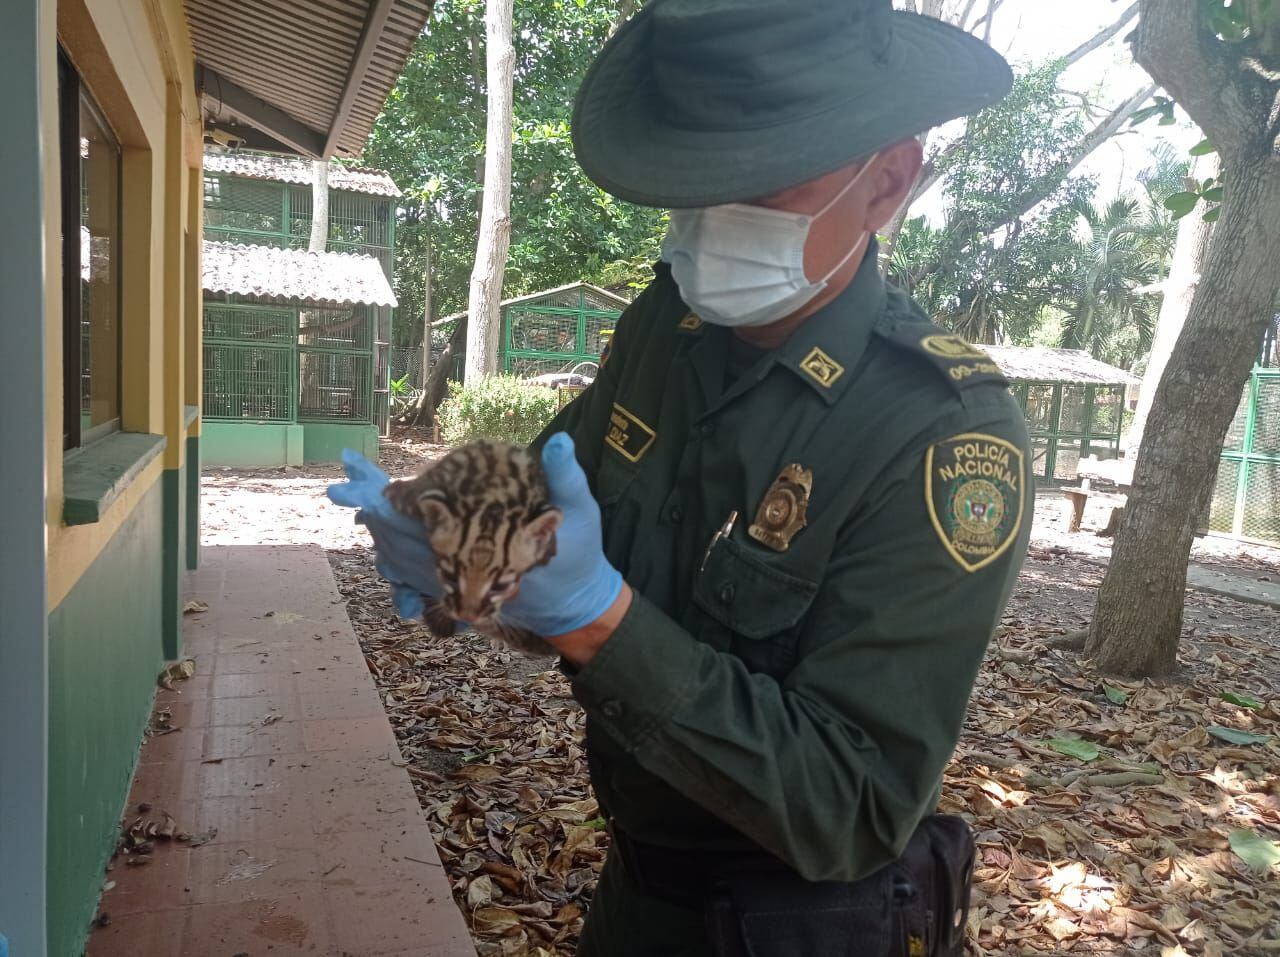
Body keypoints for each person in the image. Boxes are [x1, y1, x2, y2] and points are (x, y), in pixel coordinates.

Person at [330, 1, 1033, 953]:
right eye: (692, 184)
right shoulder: (670, 326)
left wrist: (594, 618)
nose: (709, 225)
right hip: (638, 890)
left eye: (766, 182)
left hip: (810, 923)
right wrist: (457, 539)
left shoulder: (940, 430)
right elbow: (548, 498)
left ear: (888, 181)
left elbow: (856, 802)